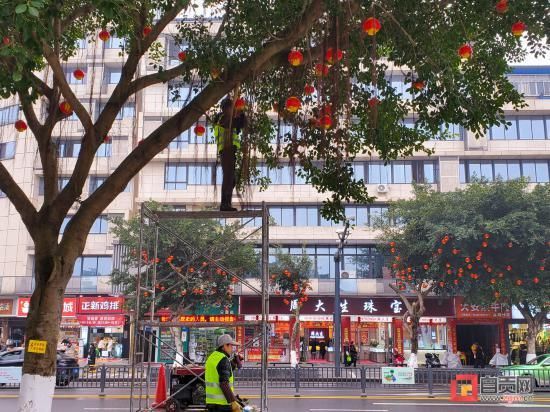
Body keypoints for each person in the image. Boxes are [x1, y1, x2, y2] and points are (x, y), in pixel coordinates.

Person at [213, 97, 247, 211]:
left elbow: (239, 124)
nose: (233, 111)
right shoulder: (223, 118)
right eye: (232, 108)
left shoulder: (227, 118)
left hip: (230, 150)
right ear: (226, 108)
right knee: (228, 177)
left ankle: (226, 202)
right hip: (226, 149)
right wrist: (241, 112)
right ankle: (224, 204)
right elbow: (240, 123)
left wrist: (240, 113)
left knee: (231, 179)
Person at [205, 334, 242, 412]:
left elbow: (223, 372)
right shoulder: (223, 359)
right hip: (222, 405)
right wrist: (233, 402)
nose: (232, 349)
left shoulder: (212, 357)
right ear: (225, 346)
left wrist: (234, 361)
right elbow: (224, 382)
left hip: (211, 403)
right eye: (231, 346)